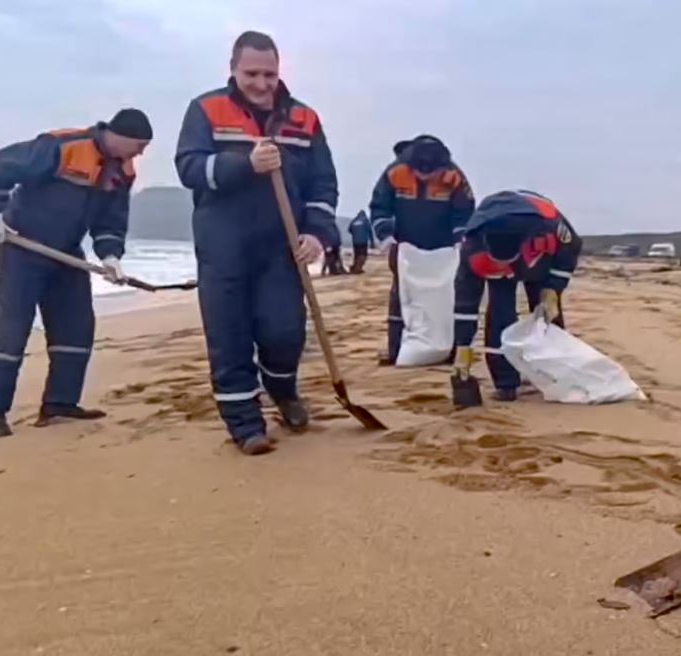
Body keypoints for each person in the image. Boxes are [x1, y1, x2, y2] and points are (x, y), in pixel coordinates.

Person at [174, 30, 338, 456]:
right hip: (223, 242)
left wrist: (318, 232)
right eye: (252, 73)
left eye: (269, 74)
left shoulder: (304, 119)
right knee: (229, 335)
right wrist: (243, 163)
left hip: (282, 246)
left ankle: (283, 391)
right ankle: (245, 424)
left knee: (284, 332)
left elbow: (323, 183)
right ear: (233, 69)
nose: (261, 83)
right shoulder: (206, 110)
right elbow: (189, 168)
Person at [0, 109, 152, 438]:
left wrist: (110, 255)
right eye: (138, 146)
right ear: (118, 136)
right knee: (13, 331)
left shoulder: (122, 171)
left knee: (77, 326)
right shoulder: (61, 147)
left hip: (66, 253)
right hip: (23, 246)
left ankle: (60, 404)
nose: (140, 153)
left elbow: (111, 218)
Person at [451, 190, 581, 401]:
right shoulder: (472, 246)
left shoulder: (550, 223)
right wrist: (462, 346)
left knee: (547, 314)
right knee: (501, 314)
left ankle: (554, 373)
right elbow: (466, 302)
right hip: (499, 274)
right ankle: (506, 383)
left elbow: (570, 250)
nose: (507, 267)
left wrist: (554, 288)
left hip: (539, 262)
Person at [370, 134, 474, 365]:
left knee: (448, 298)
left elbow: (464, 212)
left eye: (431, 173)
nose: (426, 177)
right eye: (421, 172)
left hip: (443, 249)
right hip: (405, 246)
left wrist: (460, 240)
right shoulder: (395, 173)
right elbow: (380, 207)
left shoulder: (453, 176)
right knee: (402, 295)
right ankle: (397, 350)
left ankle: (451, 349)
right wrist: (386, 237)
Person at [348, 210, 376, 274]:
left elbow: (349, 230)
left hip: (355, 242)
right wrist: (372, 242)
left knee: (357, 255)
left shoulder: (354, 220)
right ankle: (358, 268)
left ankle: (355, 267)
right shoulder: (365, 220)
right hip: (363, 241)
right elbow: (369, 231)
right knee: (363, 255)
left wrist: (355, 234)